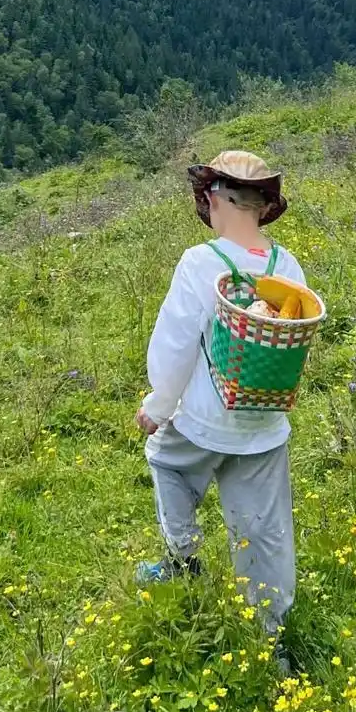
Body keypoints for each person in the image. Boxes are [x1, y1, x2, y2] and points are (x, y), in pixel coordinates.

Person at [135, 151, 305, 662]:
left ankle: (182, 557)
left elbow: (174, 346)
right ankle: (269, 640)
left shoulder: (202, 263)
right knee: (263, 533)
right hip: (265, 425)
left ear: (214, 197)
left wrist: (157, 406)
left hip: (202, 422)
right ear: (261, 206)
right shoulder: (288, 266)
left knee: (165, 462)